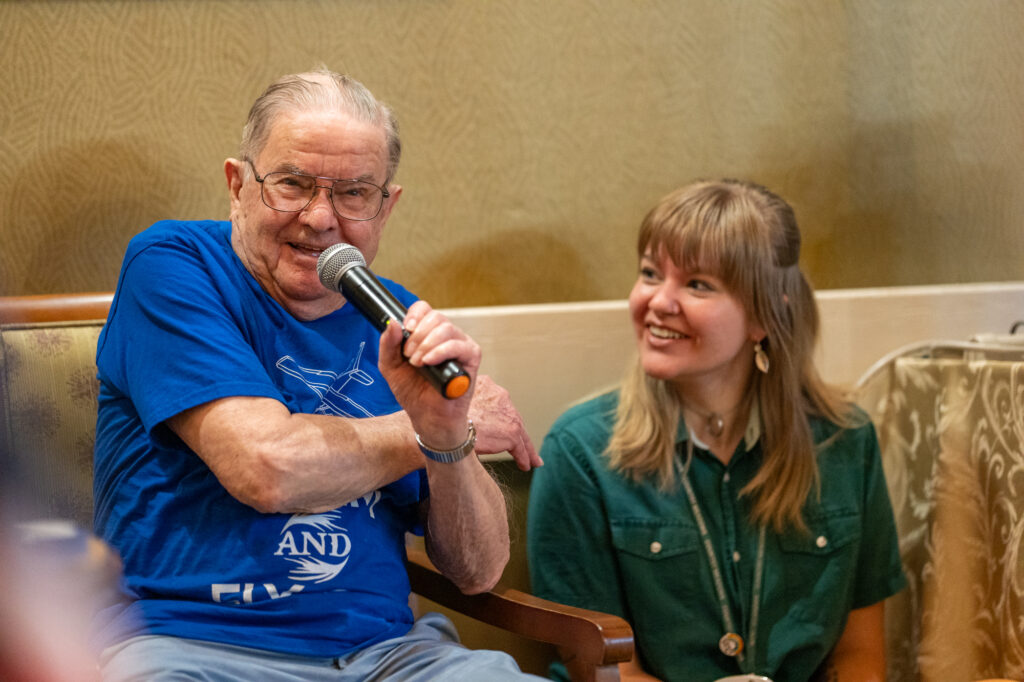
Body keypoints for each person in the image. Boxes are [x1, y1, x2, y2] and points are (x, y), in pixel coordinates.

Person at [92, 68, 544, 681]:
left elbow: (478, 570)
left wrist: (449, 438)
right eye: (292, 183)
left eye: (354, 193)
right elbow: (266, 469)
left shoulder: (397, 318)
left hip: (388, 656)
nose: (320, 217)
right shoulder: (174, 266)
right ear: (236, 185)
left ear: (387, 207)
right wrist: (421, 434)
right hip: (194, 644)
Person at [526, 179, 906, 682]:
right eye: (649, 273)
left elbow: (860, 657)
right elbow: (602, 674)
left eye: (697, 284)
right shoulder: (580, 452)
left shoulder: (845, 442)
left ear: (763, 317)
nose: (659, 301)